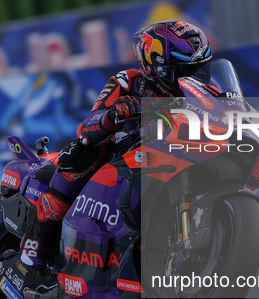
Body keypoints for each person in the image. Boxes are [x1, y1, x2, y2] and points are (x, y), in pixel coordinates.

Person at [18, 20, 213, 277]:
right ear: (157, 66)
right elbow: (87, 128)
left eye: (200, 69)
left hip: (172, 158)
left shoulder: (206, 95)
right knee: (83, 151)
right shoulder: (128, 82)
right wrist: (113, 116)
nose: (194, 78)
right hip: (121, 157)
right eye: (185, 70)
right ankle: (35, 250)